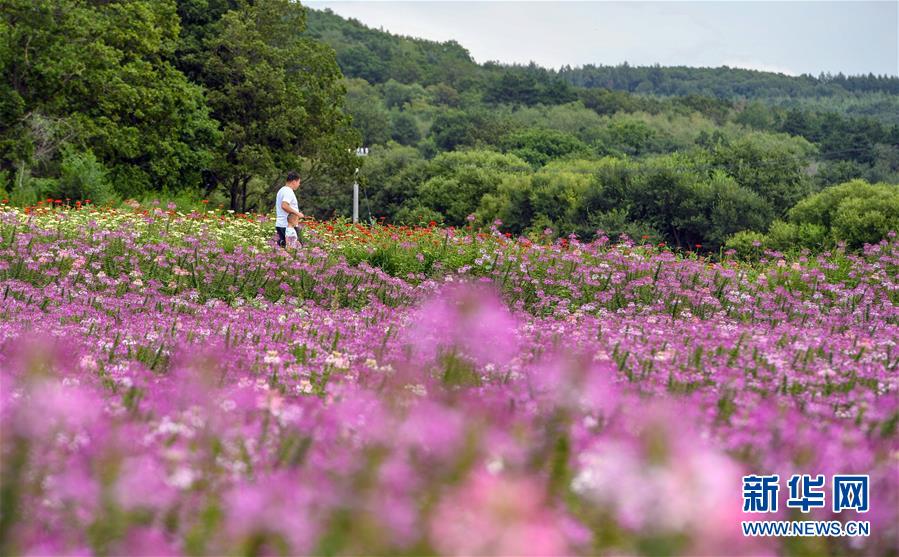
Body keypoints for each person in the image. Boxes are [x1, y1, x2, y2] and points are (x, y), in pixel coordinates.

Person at [275, 171, 304, 247]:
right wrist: (298, 214)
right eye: (298, 182)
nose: (299, 184)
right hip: (288, 226)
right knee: (296, 250)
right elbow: (284, 205)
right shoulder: (288, 191)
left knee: (283, 248)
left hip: (281, 224)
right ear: (294, 182)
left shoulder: (281, 190)